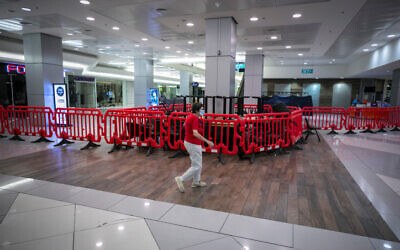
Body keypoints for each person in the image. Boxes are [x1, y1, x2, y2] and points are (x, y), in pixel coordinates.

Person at [175, 103, 214, 193]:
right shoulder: (194, 118)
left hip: (192, 142)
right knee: (196, 166)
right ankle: (181, 179)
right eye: (202, 109)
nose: (203, 110)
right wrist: (207, 141)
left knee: (198, 163)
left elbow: (185, 126)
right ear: (197, 110)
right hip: (193, 143)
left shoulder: (191, 117)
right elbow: (195, 133)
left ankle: (196, 182)